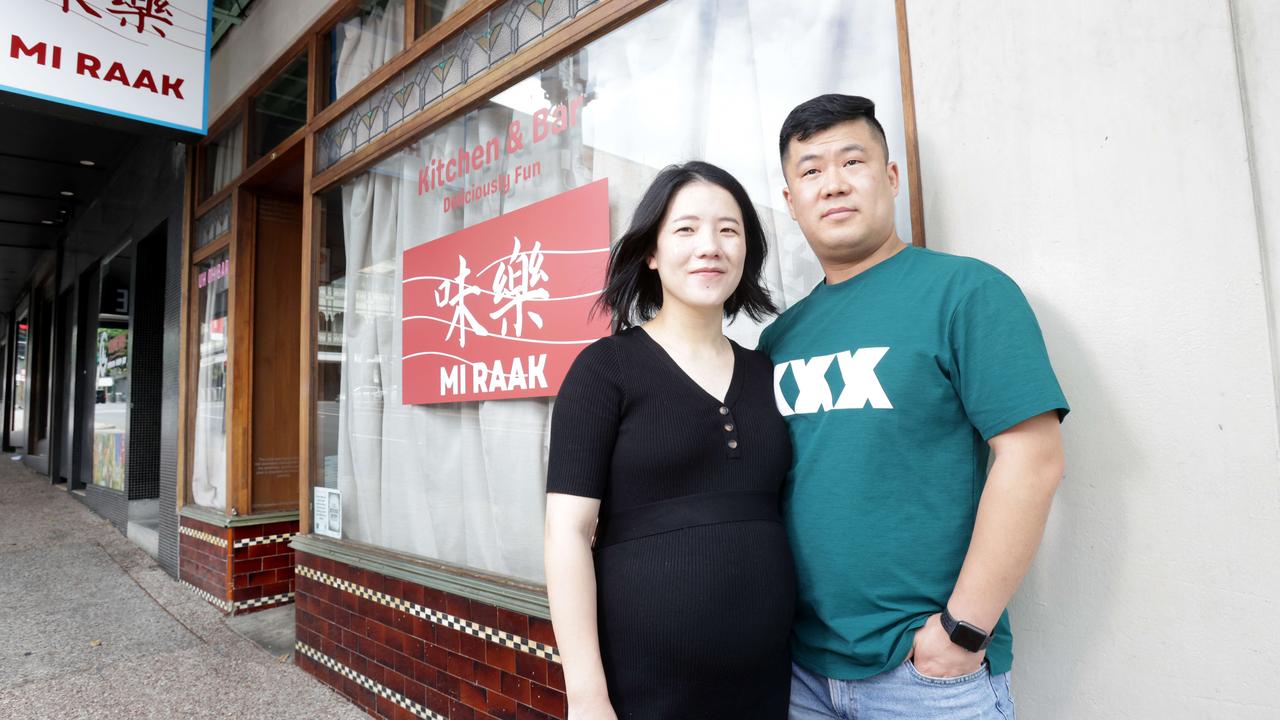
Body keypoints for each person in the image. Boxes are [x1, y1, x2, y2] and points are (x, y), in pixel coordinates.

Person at [757, 94, 1069, 719]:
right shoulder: (778, 340)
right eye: (811, 171)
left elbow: (1033, 460)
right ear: (790, 203)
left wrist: (961, 634)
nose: (834, 184)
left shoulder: (967, 291)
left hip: (923, 676)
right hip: (801, 674)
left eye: (854, 161)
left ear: (891, 177)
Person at [545, 161, 796, 719]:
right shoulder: (604, 369)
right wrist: (586, 696)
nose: (710, 245)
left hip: (768, 680)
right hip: (645, 683)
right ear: (652, 253)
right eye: (686, 229)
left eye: (729, 230)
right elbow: (569, 533)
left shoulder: (767, 373)